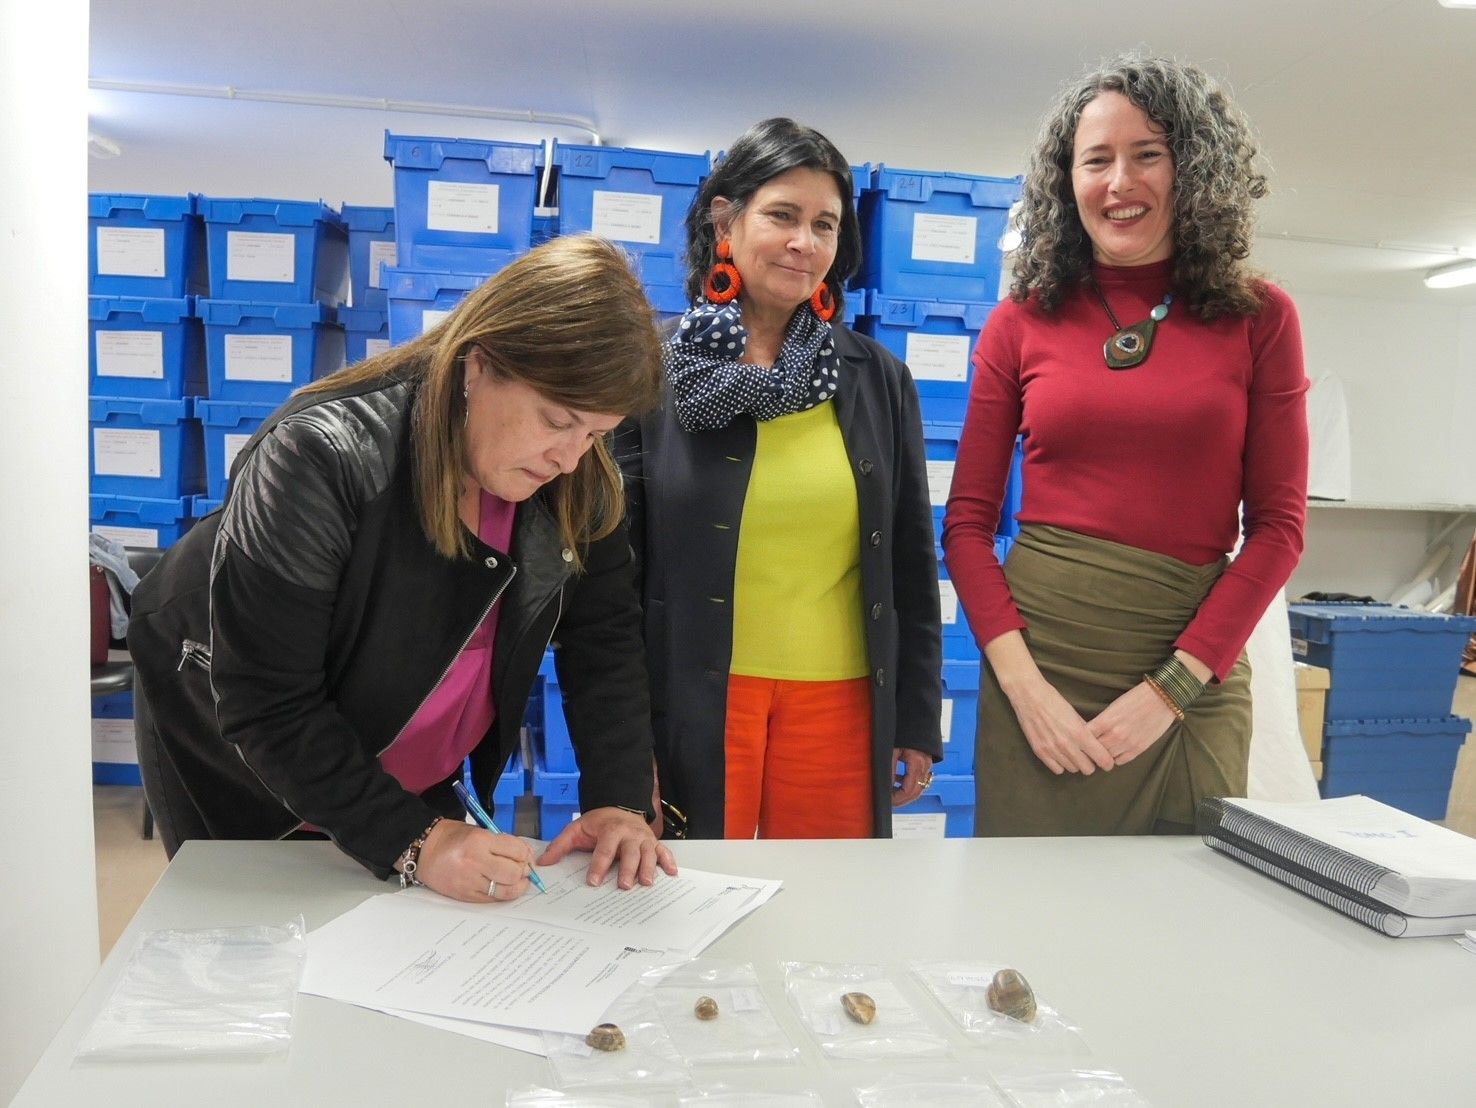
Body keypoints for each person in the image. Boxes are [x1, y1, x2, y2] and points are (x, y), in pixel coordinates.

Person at [129, 235, 678, 901]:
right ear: (479, 366)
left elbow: (605, 638)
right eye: (556, 421)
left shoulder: (578, 476)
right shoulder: (321, 455)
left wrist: (618, 797)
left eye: (595, 433)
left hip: (397, 741)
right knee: (256, 943)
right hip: (241, 745)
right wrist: (414, 840)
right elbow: (268, 704)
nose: (569, 458)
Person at [943, 56, 1309, 835]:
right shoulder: (1022, 320)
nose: (1119, 183)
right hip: (1040, 679)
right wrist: (1022, 689)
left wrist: (1173, 689)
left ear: (1194, 167)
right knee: (1033, 922)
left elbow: (1279, 530)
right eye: (1096, 160)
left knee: (1179, 925)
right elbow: (966, 525)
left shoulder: (1260, 318)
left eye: (1148, 154)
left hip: (1189, 680)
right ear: (1064, 180)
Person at [620, 117, 942, 841]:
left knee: (827, 925)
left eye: (825, 225)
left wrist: (917, 718)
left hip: (843, 701)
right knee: (694, 909)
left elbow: (912, 562)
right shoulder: (650, 366)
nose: (805, 242)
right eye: (783, 216)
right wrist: (620, 741)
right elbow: (614, 570)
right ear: (725, 221)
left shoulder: (877, 379)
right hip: (697, 696)